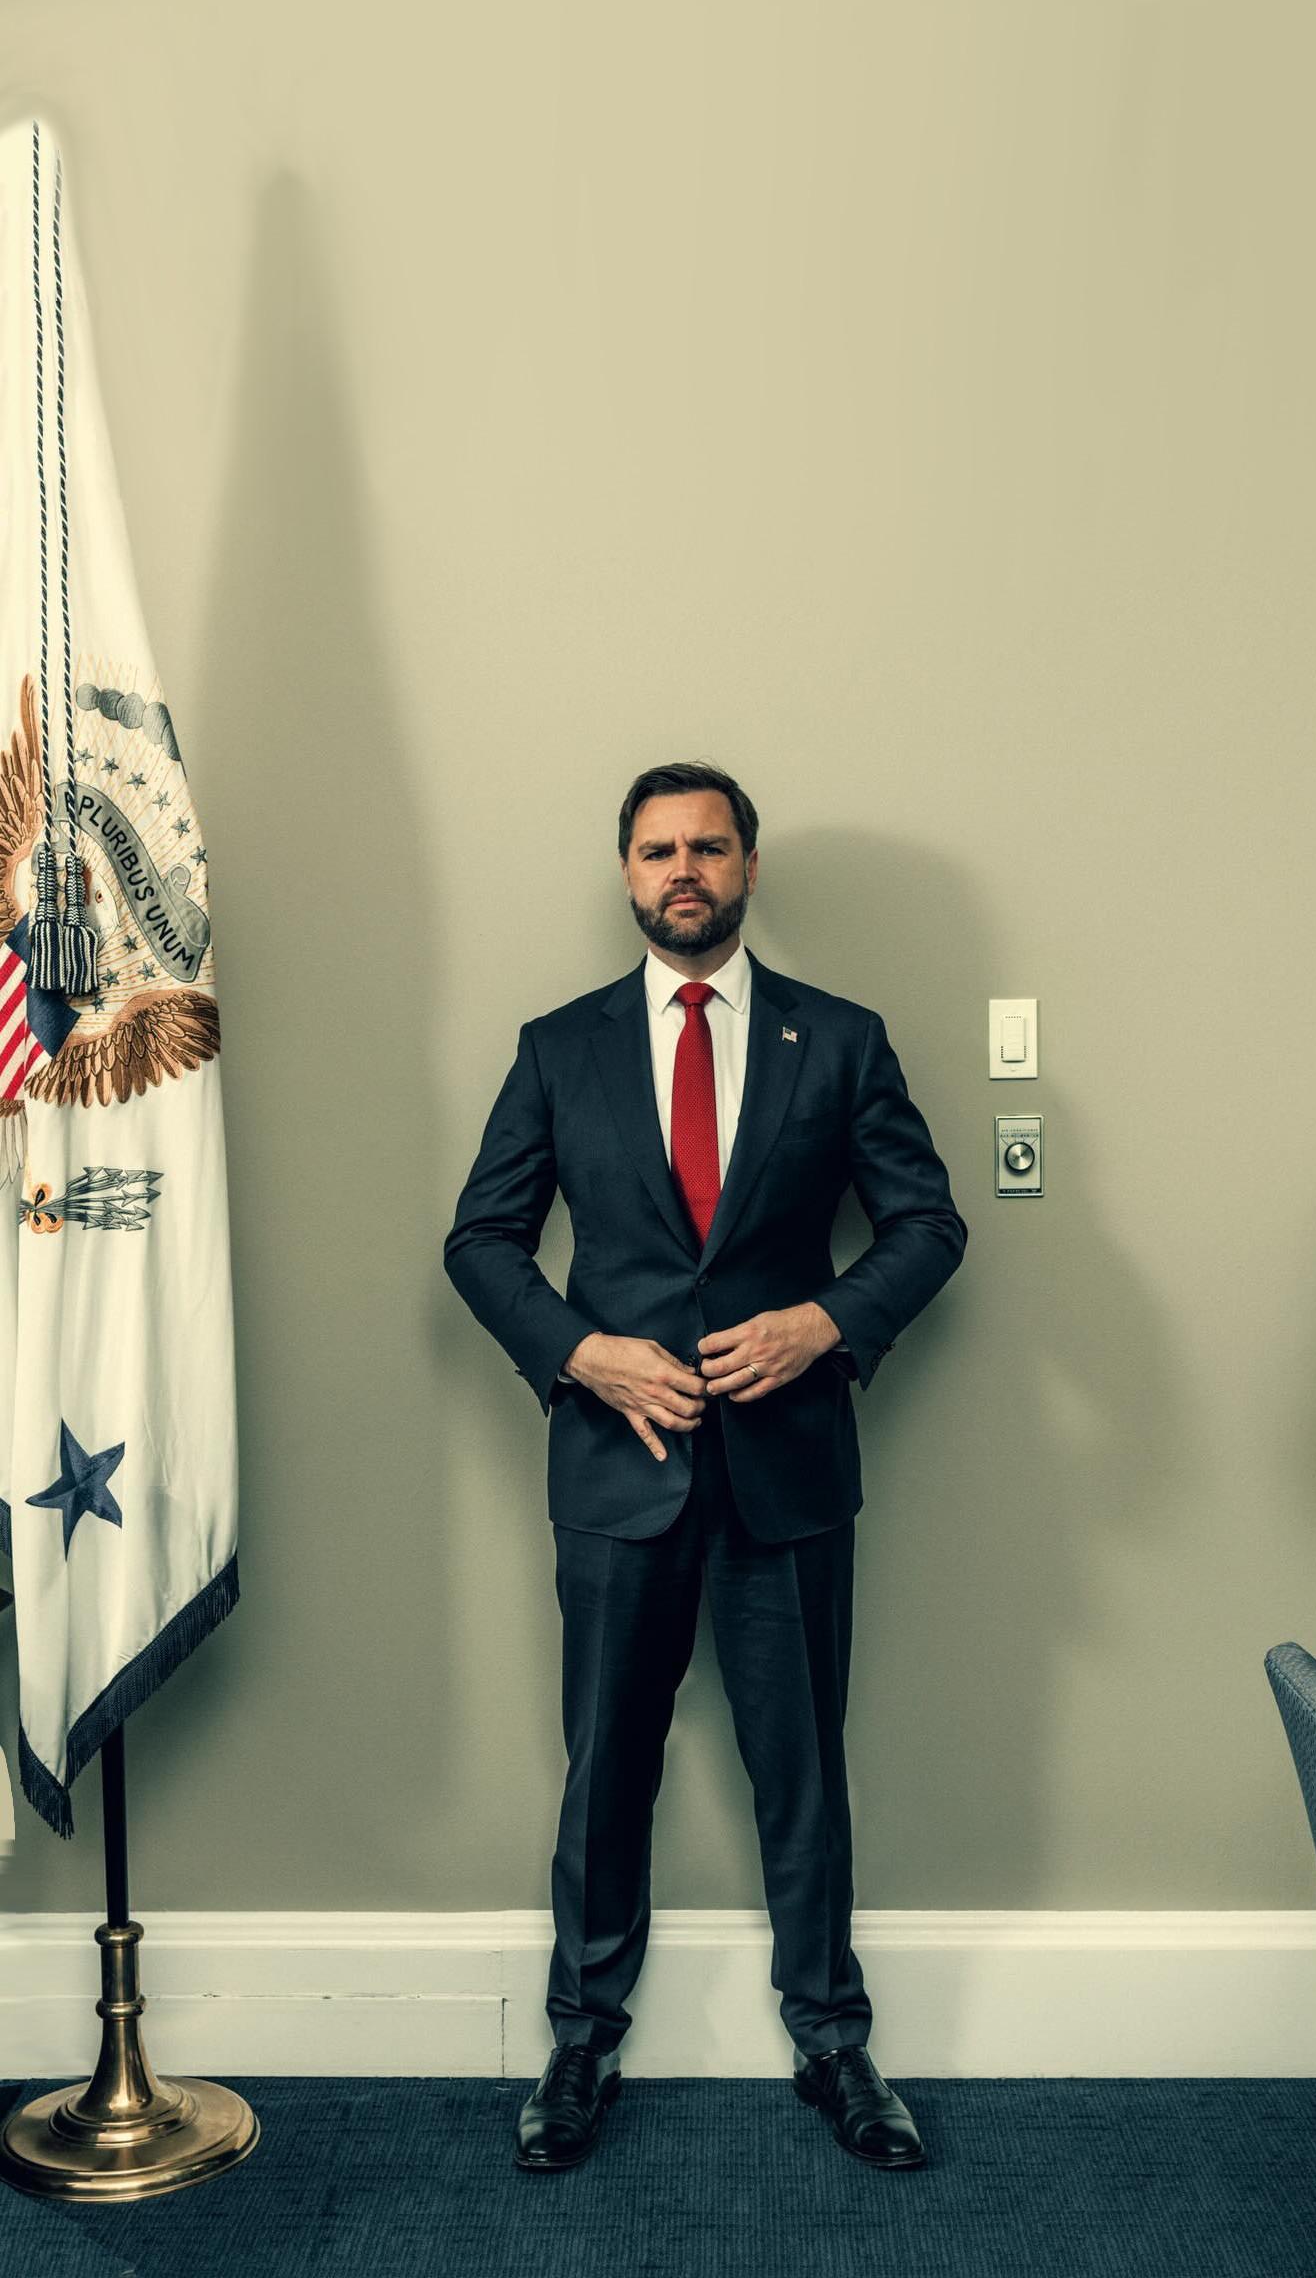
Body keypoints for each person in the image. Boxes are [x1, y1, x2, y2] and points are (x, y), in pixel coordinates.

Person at [445, 760, 966, 2174]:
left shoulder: (839, 1041)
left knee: (800, 1767)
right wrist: (580, 1353)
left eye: (711, 847)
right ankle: (578, 2041)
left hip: (786, 1471)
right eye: (660, 849)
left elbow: (926, 1227)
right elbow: (480, 1242)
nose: (686, 869)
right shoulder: (559, 1049)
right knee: (604, 1766)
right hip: (617, 1472)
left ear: (748, 866)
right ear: (626, 872)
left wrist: (824, 1323)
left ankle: (835, 2045)